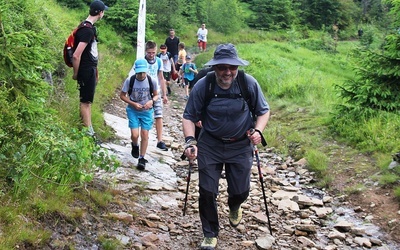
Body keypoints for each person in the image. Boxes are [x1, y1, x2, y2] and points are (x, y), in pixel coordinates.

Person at [182, 43, 270, 250]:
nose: (227, 72)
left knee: (241, 191)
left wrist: (258, 131)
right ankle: (210, 233)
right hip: (210, 143)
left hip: (240, 145)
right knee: (207, 191)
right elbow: (189, 116)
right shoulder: (204, 85)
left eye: (232, 67)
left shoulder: (248, 83)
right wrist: (189, 140)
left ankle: (235, 204)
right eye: (222, 67)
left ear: (237, 67)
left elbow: (263, 111)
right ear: (215, 67)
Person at [72, 0, 108, 136]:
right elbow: (76, 55)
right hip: (86, 70)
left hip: (90, 69)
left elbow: (90, 53)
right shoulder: (87, 30)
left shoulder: (86, 27)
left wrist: (96, 71)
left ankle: (87, 129)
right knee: (85, 102)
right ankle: (88, 134)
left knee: (87, 101)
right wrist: (76, 73)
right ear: (100, 12)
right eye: (103, 11)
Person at [119, 59, 158, 170]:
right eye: (139, 72)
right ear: (135, 71)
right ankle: (135, 145)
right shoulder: (130, 80)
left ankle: (142, 158)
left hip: (147, 111)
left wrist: (152, 101)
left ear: (146, 71)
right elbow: (122, 95)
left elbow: (156, 95)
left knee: (145, 134)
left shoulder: (152, 81)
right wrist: (133, 103)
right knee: (135, 134)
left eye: (143, 72)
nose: (141, 75)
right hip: (133, 110)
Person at [144, 41, 169, 151]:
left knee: (159, 115)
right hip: (144, 93)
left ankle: (160, 140)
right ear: (146, 51)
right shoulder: (142, 61)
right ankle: (145, 138)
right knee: (146, 116)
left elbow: (161, 77)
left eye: (153, 52)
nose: (151, 55)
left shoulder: (159, 61)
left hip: (156, 92)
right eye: (149, 52)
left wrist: (164, 94)